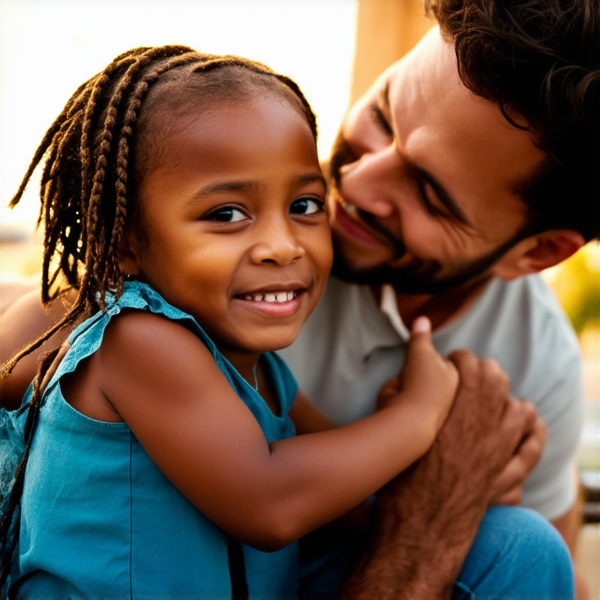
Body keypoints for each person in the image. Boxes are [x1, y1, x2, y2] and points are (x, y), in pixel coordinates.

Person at [0, 44, 559, 600]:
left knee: (518, 547)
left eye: (306, 206)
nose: (281, 245)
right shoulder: (138, 340)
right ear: (126, 242)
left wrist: (475, 469)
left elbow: (343, 500)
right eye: (226, 214)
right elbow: (271, 502)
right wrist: (418, 414)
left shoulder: (265, 373)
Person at [278, 0, 599, 597]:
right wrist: (440, 493)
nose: (357, 183)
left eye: (430, 196)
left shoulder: (536, 358)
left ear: (536, 253)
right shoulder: (248, 240)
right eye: (381, 114)